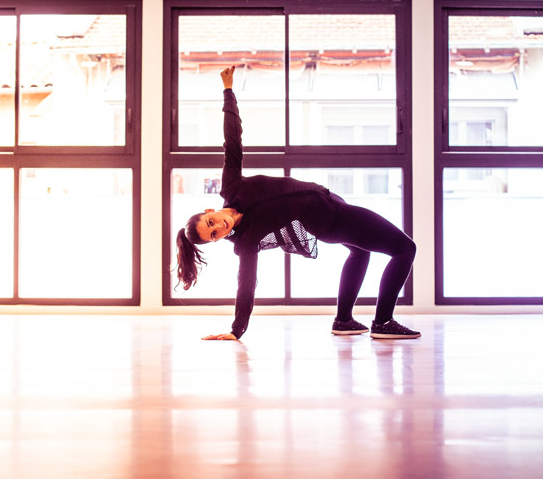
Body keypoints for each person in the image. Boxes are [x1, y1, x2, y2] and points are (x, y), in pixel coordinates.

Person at [175, 66, 419, 341]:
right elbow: (246, 285)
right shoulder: (245, 241)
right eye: (215, 234)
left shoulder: (232, 187)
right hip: (331, 219)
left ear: (209, 211)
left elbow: (232, 143)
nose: (219, 227)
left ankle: (344, 320)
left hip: (330, 203)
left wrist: (228, 92)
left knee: (360, 252)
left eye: (211, 223)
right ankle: (383, 321)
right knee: (405, 249)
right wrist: (236, 330)